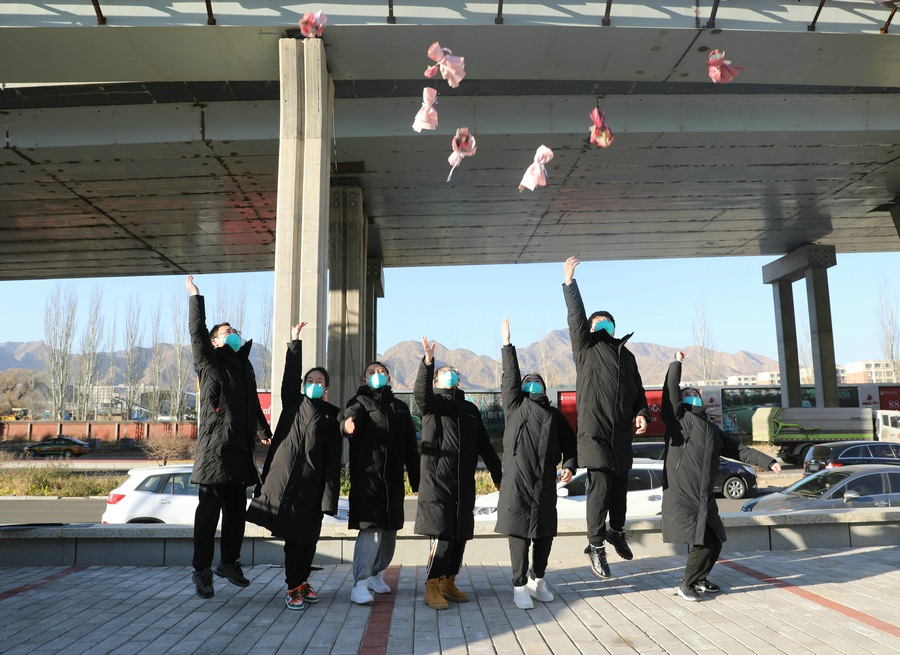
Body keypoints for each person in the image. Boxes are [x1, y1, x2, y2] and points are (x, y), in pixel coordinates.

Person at [661, 350, 781, 602]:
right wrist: (676, 363)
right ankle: (686, 584)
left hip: (705, 496)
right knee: (702, 542)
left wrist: (768, 462)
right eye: (687, 394)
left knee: (715, 540)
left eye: (695, 393)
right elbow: (670, 390)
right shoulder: (678, 421)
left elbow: (739, 450)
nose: (692, 396)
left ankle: (700, 579)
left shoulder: (712, 429)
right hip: (684, 495)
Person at [562, 257, 650, 578]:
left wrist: (641, 413)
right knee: (599, 490)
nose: (604, 325)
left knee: (619, 489)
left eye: (608, 321)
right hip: (594, 434)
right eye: (598, 322)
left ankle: (616, 531)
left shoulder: (628, 357)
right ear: (590, 328)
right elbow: (576, 316)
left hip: (620, 436)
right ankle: (596, 546)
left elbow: (639, 392)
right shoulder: (585, 349)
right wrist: (570, 284)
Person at [185, 275, 272, 600]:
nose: (234, 333)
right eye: (227, 331)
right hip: (214, 450)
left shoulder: (245, 367)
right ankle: (202, 570)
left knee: (236, 512)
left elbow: (252, 405)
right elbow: (197, 332)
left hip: (239, 450)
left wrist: (263, 431)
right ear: (216, 341)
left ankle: (229, 563)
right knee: (208, 514)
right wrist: (196, 297)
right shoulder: (208, 361)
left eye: (234, 330)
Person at [245, 322, 343, 611]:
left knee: (309, 539)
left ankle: (303, 581)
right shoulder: (293, 404)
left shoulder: (330, 421)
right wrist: (294, 342)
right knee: (293, 539)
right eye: (310, 379)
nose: (314, 383)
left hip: (312, 488)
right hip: (286, 484)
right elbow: (290, 376)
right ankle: (293, 586)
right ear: (304, 385)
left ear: (326, 388)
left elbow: (332, 462)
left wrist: (329, 498)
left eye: (319, 381)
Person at [414, 337, 502, 610]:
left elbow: (485, 445)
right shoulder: (432, 405)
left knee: (460, 535)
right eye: (444, 372)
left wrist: (498, 474)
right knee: (442, 536)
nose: (449, 375)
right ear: (436, 380)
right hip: (437, 482)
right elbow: (420, 394)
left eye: (453, 372)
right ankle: (431, 586)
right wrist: (428, 363)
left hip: (464, 483)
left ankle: (448, 581)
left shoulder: (470, 410)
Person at [496, 318, 578, 609]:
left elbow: (571, 444)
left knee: (544, 536)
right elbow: (510, 376)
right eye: (528, 382)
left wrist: (570, 464)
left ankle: (537, 580)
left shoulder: (555, 416)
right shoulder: (515, 406)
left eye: (538, 382)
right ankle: (519, 586)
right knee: (519, 536)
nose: (533, 385)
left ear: (545, 388)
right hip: (517, 485)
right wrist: (507, 344)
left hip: (544, 485)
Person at [343, 360, 421, 605]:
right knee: (371, 530)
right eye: (371, 372)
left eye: (381, 372)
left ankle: (376, 574)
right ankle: (359, 583)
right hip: (368, 480)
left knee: (389, 533)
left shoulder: (400, 408)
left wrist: (417, 480)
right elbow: (349, 418)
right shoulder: (359, 402)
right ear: (365, 378)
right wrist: (346, 426)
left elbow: (410, 446)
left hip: (393, 482)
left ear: (388, 377)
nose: (376, 375)